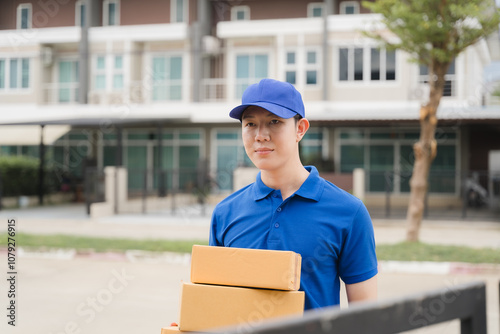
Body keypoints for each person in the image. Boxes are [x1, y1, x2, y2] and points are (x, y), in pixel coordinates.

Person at [209, 78, 378, 311]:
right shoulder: (225, 213)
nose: (260, 135)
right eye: (250, 124)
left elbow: (366, 319)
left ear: (300, 129)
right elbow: (216, 305)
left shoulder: (349, 212)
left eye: (274, 121)